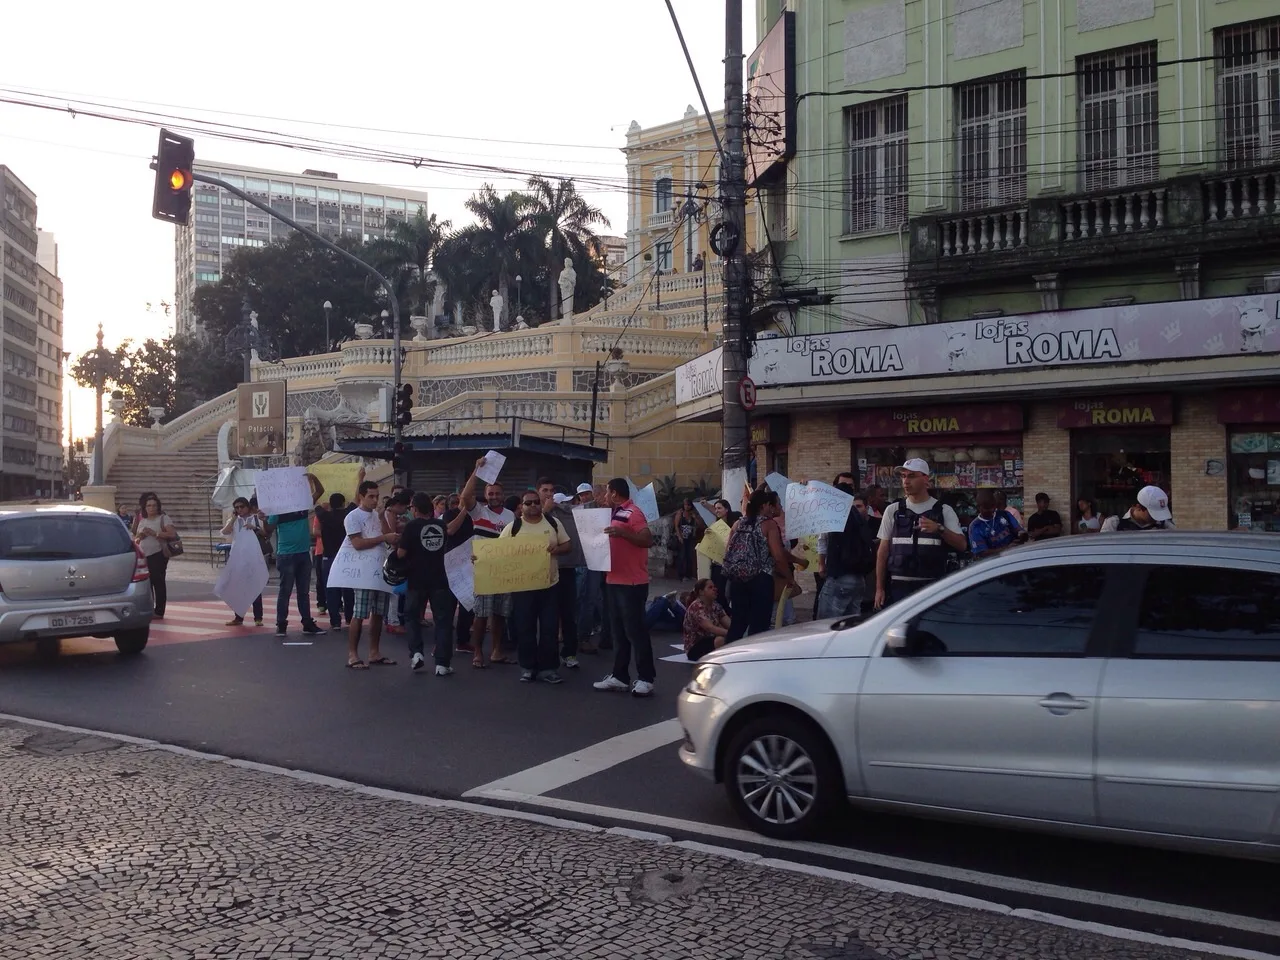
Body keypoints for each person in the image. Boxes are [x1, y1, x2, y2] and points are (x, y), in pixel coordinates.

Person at [593, 478, 657, 697]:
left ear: (614, 492)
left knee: (635, 632)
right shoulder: (613, 513)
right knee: (618, 632)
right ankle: (620, 676)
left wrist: (623, 534)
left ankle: (646, 678)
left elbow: (647, 539)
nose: (603, 496)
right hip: (613, 579)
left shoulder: (633, 512)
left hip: (631, 583)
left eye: (606, 492)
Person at [874, 459, 967, 609]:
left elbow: (962, 545)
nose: (906, 481)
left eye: (911, 476)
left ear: (925, 479)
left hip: (931, 587)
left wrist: (939, 529)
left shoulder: (943, 510)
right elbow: (882, 552)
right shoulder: (893, 510)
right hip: (899, 587)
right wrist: (879, 589)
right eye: (903, 476)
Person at [501, 489, 572, 684]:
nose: (533, 506)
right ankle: (528, 667)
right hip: (522, 587)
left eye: (536, 502)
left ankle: (548, 668)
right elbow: (497, 554)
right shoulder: (512, 528)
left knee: (549, 628)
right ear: (521, 507)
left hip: (549, 585)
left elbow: (567, 545)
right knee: (525, 627)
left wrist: (557, 549)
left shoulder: (552, 523)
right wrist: (479, 559)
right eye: (528, 503)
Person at [398, 492, 469, 676]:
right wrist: (464, 511)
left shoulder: (411, 527)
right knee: (443, 622)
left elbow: (400, 553)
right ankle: (442, 664)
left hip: (415, 580)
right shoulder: (439, 525)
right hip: (439, 579)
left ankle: (416, 654)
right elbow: (451, 529)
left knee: (412, 618)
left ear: (414, 508)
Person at [461, 458, 516, 664]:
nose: (494, 496)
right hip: (483, 570)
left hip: (504, 571)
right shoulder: (478, 512)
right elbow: (466, 496)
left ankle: (496, 651)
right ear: (485, 496)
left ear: (503, 496)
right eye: (490, 493)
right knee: (481, 615)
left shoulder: (512, 516)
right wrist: (476, 469)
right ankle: (477, 653)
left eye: (497, 493)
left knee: (500, 614)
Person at [722, 488, 794, 643]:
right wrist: (789, 578)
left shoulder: (738, 523)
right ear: (764, 506)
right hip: (760, 579)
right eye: (770, 505)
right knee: (759, 626)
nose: (772, 508)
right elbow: (778, 555)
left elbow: (728, 549)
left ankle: (727, 657)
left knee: (738, 624)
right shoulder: (768, 524)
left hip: (738, 579)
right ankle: (754, 659)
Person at [344, 480, 400, 669]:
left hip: (379, 569)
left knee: (378, 612)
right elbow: (358, 544)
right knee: (359, 613)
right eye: (371, 496)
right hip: (362, 572)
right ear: (361, 496)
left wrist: (383, 517)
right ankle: (353, 654)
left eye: (377, 496)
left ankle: (374, 652)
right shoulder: (353, 517)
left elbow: (389, 535)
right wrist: (384, 538)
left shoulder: (377, 515)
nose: (375, 500)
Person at [264, 475, 326, 638]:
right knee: (286, 590)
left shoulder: (302, 505)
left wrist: (313, 478)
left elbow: (320, 491)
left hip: (303, 553)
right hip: (286, 555)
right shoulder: (278, 509)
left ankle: (306, 622)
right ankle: (281, 624)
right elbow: (269, 528)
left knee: (303, 591)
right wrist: (264, 518)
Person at [538, 478, 585, 669]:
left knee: (568, 613)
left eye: (551, 490)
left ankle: (570, 653)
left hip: (564, 569)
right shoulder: (533, 513)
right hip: (540, 571)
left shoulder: (565, 513)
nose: (549, 494)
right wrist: (545, 511)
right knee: (545, 616)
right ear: (538, 492)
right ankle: (546, 655)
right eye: (545, 490)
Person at [816, 481, 876, 620]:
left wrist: (822, 565)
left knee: (826, 624)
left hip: (840, 576)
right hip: (858, 579)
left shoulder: (837, 516)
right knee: (851, 624)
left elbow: (823, 539)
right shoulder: (857, 515)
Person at [220, 497, 266, 626]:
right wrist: (233, 518)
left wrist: (254, 527)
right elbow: (225, 532)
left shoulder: (256, 518)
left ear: (247, 506)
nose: (239, 509)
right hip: (238, 557)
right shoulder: (235, 520)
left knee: (255, 586)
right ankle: (238, 617)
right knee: (238, 587)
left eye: (242, 507)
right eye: (237, 507)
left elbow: (265, 532)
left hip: (253, 557)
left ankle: (258, 617)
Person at [133, 494, 177, 619]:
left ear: (158, 507)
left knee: (158, 583)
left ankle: (159, 611)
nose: (151, 508)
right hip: (144, 555)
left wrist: (154, 533)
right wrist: (141, 536)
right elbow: (136, 537)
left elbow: (171, 534)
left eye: (154, 505)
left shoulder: (163, 518)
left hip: (158, 554)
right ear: (145, 508)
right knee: (147, 583)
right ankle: (150, 608)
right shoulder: (143, 521)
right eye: (148, 506)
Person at [573, 482, 604, 654]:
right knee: (578, 598)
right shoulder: (575, 512)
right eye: (582, 495)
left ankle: (585, 635)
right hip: (579, 561)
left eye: (587, 494)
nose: (585, 497)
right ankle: (577, 635)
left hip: (596, 560)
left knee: (592, 599)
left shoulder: (602, 511)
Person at [320, 492, 355, 629]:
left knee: (331, 590)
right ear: (343, 503)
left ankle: (335, 621)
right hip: (346, 556)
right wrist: (360, 479)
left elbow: (315, 502)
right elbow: (356, 497)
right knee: (348, 589)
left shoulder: (323, 515)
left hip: (328, 556)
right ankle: (349, 618)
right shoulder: (348, 514)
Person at [968, 489, 1025, 559]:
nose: (991, 510)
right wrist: (1007, 549)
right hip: (994, 565)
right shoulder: (975, 527)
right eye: (987, 508)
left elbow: (1019, 530)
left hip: (1014, 559)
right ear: (978, 507)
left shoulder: (1004, 515)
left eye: (993, 506)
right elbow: (982, 553)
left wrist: (1022, 535)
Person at [683, 579, 730, 661]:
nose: (715, 589)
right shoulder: (697, 607)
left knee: (728, 638)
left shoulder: (715, 605)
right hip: (695, 647)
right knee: (721, 640)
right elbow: (710, 628)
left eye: (714, 587)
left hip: (709, 641)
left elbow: (727, 622)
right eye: (710, 587)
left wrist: (737, 631)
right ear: (701, 592)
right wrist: (731, 633)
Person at [1100, 485, 1175, 531]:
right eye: (1153, 514)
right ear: (1139, 507)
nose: (1157, 519)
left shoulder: (1165, 525)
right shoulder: (1114, 523)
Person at [672, 500, 698, 580]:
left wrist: (695, 517)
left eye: (688, 505)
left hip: (690, 537)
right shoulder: (680, 513)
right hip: (682, 537)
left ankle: (689, 575)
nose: (687, 507)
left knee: (689, 556)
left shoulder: (692, 514)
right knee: (682, 556)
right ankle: (681, 575)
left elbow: (699, 524)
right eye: (685, 505)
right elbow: (676, 525)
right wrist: (679, 536)